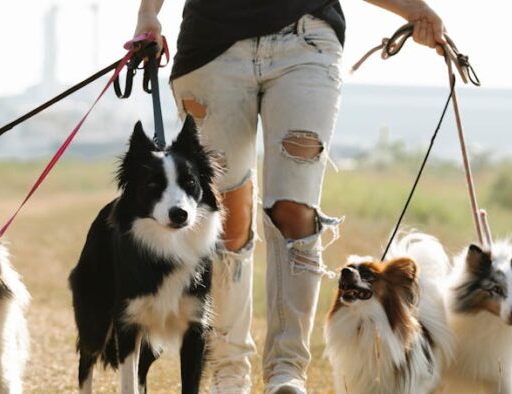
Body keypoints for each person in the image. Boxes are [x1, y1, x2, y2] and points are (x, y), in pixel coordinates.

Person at [133, 0, 446, 393]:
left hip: (307, 41)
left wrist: (414, 10)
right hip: (212, 47)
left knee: (296, 210)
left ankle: (287, 371)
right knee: (227, 214)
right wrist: (149, 13)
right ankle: (229, 370)